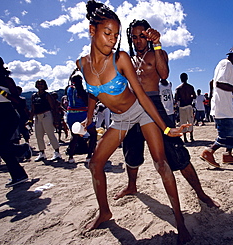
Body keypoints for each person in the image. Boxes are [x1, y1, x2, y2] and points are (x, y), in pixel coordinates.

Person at [78, 3, 191, 243]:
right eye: (107, 33)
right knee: (96, 164)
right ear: (92, 30)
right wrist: (89, 116)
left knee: (161, 163)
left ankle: (180, 220)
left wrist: (166, 128)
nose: (112, 39)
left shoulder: (120, 58)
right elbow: (91, 91)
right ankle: (105, 212)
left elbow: (140, 93)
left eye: (116, 35)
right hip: (120, 119)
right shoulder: (82, 64)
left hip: (140, 111)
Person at [116, 19, 219, 210]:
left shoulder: (158, 53)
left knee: (176, 151)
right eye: (134, 37)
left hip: (154, 104)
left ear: (148, 35)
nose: (138, 41)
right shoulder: (127, 59)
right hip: (132, 107)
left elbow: (163, 75)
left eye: (142, 36)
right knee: (131, 151)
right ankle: (132, 186)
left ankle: (201, 193)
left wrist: (156, 44)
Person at [200, 44, 233, 168]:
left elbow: (224, 82)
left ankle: (227, 154)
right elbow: (219, 84)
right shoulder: (226, 64)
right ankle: (208, 152)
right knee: (226, 133)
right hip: (222, 106)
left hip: (225, 105)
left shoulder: (225, 64)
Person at [0, 54, 31, 187]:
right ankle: (22, 151)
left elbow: (17, 100)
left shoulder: (6, 81)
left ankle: (19, 174)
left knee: (1, 147)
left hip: (8, 115)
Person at [65, 73, 97, 164]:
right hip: (82, 113)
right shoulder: (82, 91)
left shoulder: (69, 89)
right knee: (93, 134)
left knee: (74, 136)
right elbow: (87, 103)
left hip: (71, 114)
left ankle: (71, 157)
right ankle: (89, 156)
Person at [29, 79, 62, 161]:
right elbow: (33, 108)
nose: (40, 86)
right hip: (37, 116)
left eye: (42, 84)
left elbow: (53, 107)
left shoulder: (47, 95)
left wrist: (55, 119)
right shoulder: (34, 96)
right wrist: (30, 119)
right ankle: (42, 153)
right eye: (38, 84)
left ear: (45, 85)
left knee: (50, 134)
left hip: (46, 115)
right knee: (38, 135)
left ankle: (57, 152)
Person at [175, 72, 196, 142]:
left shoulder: (178, 88)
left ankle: (185, 138)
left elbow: (176, 98)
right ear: (187, 78)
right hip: (189, 105)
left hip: (182, 106)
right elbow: (194, 96)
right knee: (190, 121)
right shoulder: (190, 87)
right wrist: (190, 98)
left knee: (183, 122)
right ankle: (191, 137)